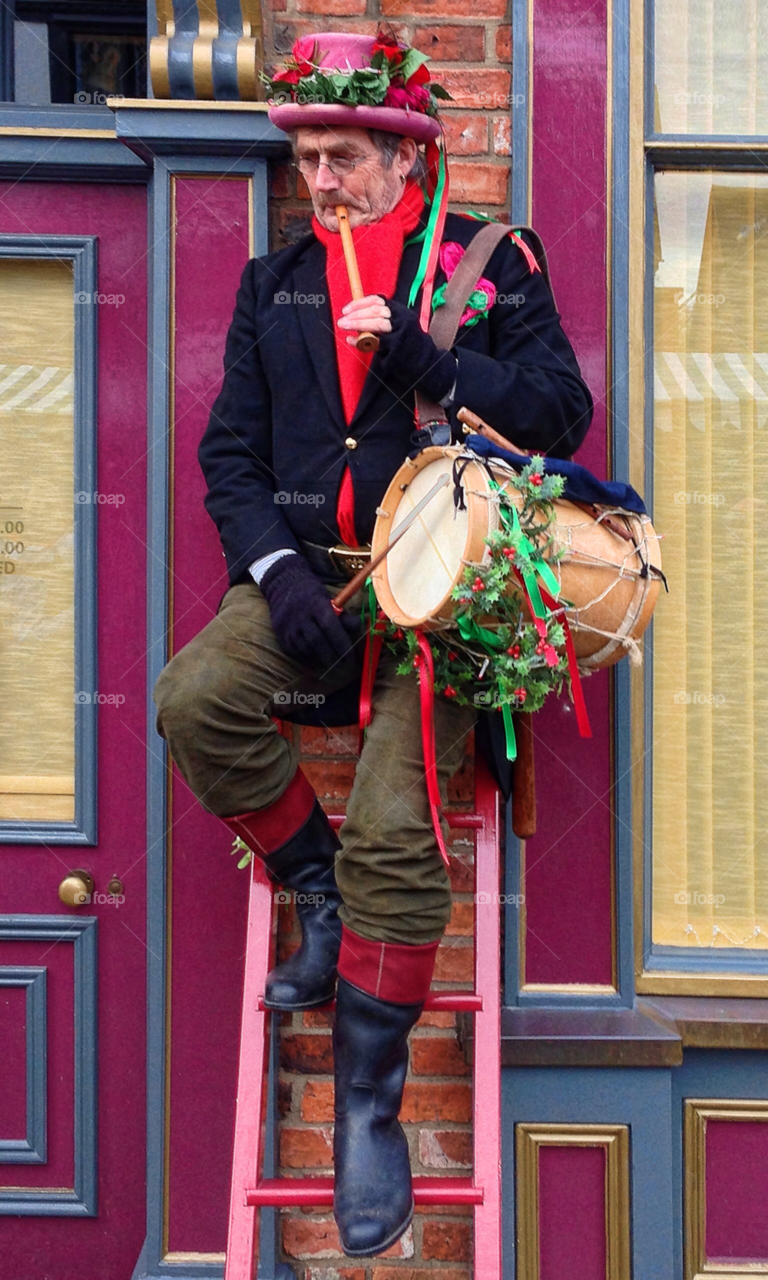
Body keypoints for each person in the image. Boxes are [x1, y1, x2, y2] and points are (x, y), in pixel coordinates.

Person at [153, 28, 593, 1259]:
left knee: (399, 825)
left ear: (402, 158)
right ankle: (313, 890)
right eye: (311, 158)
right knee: (192, 695)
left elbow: (561, 409)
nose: (323, 180)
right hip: (320, 583)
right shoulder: (273, 280)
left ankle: (368, 1108)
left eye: (345, 156)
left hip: (443, 594)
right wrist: (278, 567)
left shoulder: (488, 263)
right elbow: (228, 456)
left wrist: (430, 363)